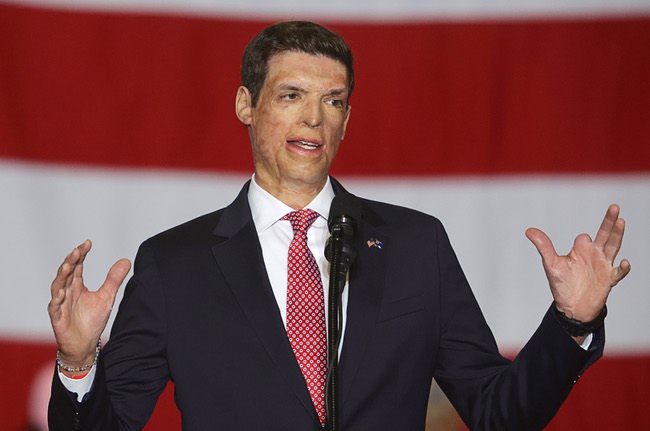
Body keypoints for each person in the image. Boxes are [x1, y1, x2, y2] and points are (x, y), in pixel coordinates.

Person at [47, 21, 630, 431]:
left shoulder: (413, 244)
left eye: (333, 100)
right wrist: (77, 364)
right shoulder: (174, 264)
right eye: (291, 95)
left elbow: (499, 412)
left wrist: (571, 323)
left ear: (347, 119)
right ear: (246, 105)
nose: (313, 117)